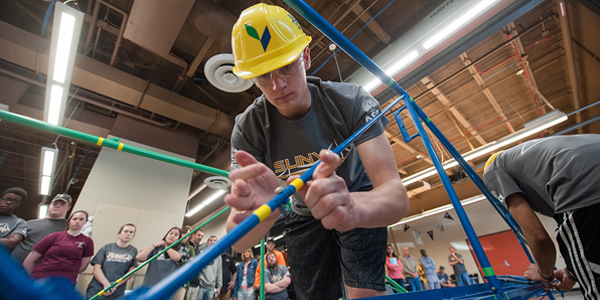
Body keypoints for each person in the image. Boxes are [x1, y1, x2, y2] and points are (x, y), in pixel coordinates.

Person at [225, 4, 409, 299]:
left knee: (364, 292)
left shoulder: (352, 101)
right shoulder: (248, 128)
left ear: (306, 57)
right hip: (301, 209)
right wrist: (265, 214)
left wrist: (353, 207)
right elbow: (237, 241)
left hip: (356, 195)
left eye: (286, 65)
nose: (278, 85)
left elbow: (396, 196)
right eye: (262, 76)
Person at [483, 135, 600, 298]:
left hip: (584, 191)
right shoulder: (538, 155)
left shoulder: (493, 169)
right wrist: (572, 273)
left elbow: (538, 237)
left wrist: (544, 273)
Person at [22, 210, 94, 284]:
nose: (77, 221)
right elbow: (29, 261)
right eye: (74, 219)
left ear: (86, 222)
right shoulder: (54, 236)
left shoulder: (87, 241)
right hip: (41, 278)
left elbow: (82, 267)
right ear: (69, 221)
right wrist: (30, 278)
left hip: (65, 282)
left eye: (81, 219)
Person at [11, 194, 71, 264]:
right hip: (12, 266)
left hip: (38, 270)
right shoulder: (29, 223)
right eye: (55, 203)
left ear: (68, 208)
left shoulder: (68, 228)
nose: (57, 205)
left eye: (62, 204)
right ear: (50, 204)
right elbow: (12, 242)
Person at [85, 223, 138, 299]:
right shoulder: (107, 248)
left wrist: (115, 285)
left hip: (117, 290)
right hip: (98, 288)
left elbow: (131, 272)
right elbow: (96, 269)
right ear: (119, 233)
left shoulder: (133, 251)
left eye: (131, 232)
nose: (128, 234)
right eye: (126, 231)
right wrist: (106, 284)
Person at [137, 227, 182, 300]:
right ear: (166, 235)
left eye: (176, 235)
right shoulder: (156, 248)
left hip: (166, 288)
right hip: (150, 286)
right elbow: (139, 257)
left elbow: (176, 258)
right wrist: (154, 245)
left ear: (178, 239)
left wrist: (166, 246)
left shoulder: (178, 250)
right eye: (171, 233)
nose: (172, 236)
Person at [197, 235, 222, 300]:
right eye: (210, 240)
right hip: (201, 285)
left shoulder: (218, 256)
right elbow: (198, 268)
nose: (212, 242)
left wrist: (219, 287)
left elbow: (219, 272)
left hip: (211, 288)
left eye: (214, 240)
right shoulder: (202, 253)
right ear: (207, 242)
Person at [187, 228, 205, 300]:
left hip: (196, 284)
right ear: (193, 235)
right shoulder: (187, 247)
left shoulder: (198, 250)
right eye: (198, 235)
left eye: (202, 236)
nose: (200, 237)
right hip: (187, 283)